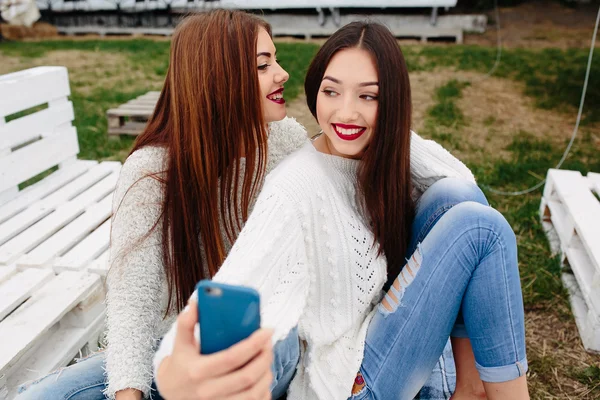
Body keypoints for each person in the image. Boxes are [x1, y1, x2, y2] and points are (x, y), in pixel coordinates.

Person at [15, 11, 472, 400]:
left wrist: (384, 120)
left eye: (275, 59)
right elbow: (132, 305)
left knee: (274, 336)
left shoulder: (286, 141)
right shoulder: (153, 171)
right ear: (219, 78)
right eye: (263, 65)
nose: (283, 74)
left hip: (278, 344)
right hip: (182, 351)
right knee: (44, 395)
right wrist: (128, 392)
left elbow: (371, 174)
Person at [154, 21, 530, 400]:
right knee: (480, 228)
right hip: (349, 384)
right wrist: (175, 369)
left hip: (378, 334)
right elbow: (239, 282)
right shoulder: (295, 186)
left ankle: (471, 388)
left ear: (393, 103)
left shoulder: (378, 154)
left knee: (454, 197)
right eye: (331, 91)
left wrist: (389, 134)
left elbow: (465, 187)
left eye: (368, 97)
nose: (346, 113)